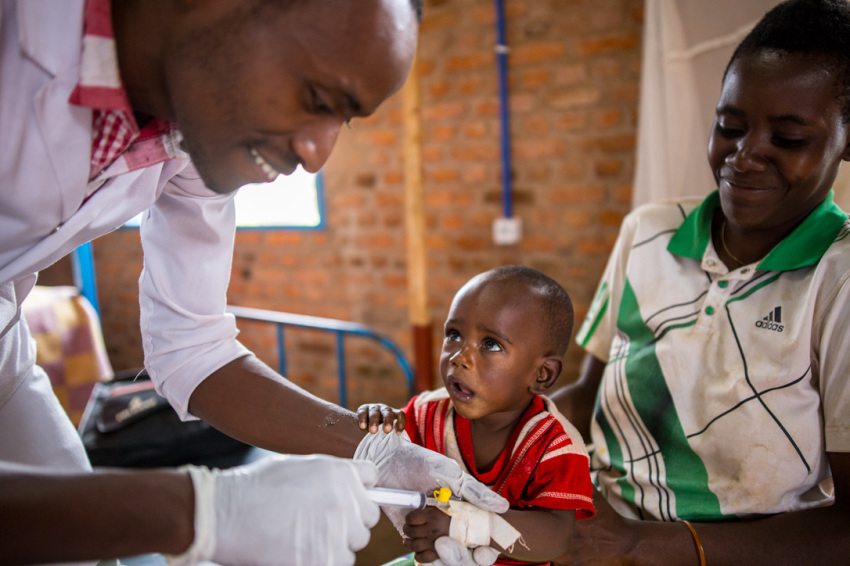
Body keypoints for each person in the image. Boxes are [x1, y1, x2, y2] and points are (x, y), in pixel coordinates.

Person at [0, 1, 509, 564]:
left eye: (341, 121)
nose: (317, 157)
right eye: (317, 99)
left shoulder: (193, 127)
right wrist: (198, 512)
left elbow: (193, 348)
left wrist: (376, 450)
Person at [548, 0, 850, 563]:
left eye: (788, 140)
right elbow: (589, 396)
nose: (745, 156)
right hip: (598, 535)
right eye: (729, 126)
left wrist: (652, 545)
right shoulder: (648, 233)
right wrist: (502, 432)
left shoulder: (839, 280)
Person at [359, 266, 596, 565]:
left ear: (542, 374)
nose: (459, 358)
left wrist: (467, 525)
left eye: (491, 344)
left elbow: (557, 536)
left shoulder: (555, 445)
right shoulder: (429, 412)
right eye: (454, 335)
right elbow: (389, 446)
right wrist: (381, 419)